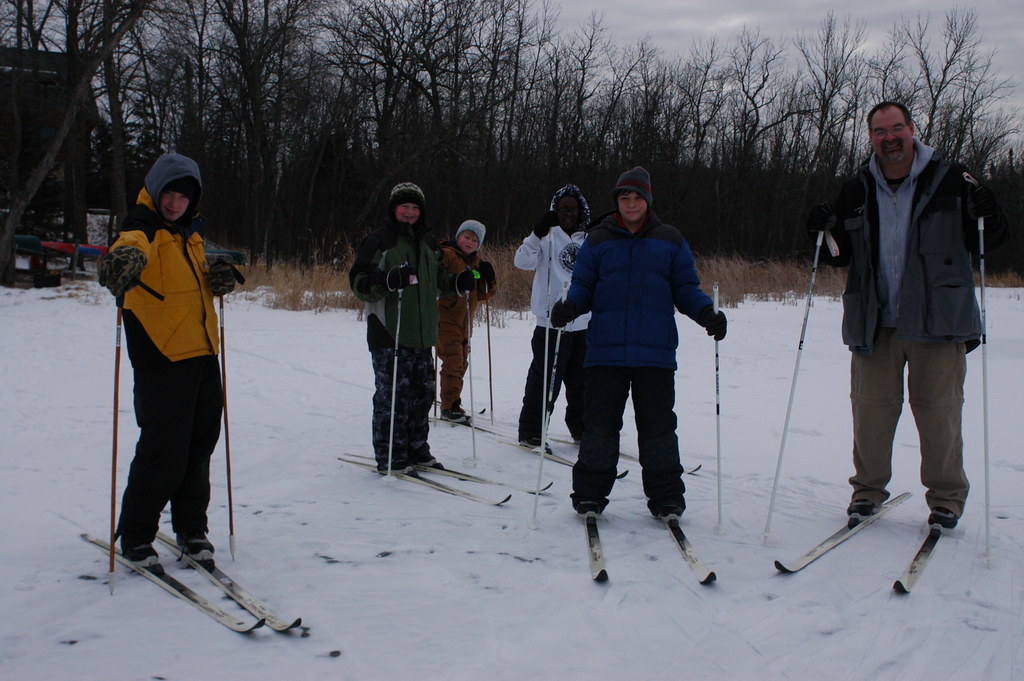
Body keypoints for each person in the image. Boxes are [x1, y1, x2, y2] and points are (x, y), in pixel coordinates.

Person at [806, 101, 1009, 530]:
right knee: (871, 413)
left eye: (897, 128)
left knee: (939, 413)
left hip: (939, 320)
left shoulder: (952, 179)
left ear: (913, 129)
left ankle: (947, 498)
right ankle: (867, 493)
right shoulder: (857, 188)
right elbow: (838, 257)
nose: (890, 138)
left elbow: (989, 241)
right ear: (871, 138)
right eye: (880, 132)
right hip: (874, 321)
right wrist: (820, 229)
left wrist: (991, 212)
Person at [550, 167, 727, 518]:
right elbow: (583, 287)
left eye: (637, 197)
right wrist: (569, 307)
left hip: (655, 354)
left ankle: (666, 497)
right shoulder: (598, 240)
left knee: (658, 429)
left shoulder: (670, 240)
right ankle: (590, 494)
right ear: (616, 201)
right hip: (605, 353)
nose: (631, 204)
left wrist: (706, 313)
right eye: (624, 197)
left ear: (648, 200)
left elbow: (686, 289)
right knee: (599, 428)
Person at [96, 153, 238, 574]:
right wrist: (117, 267)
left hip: (202, 354)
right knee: (164, 451)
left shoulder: (187, 235)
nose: (176, 202)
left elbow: (183, 289)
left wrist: (215, 278)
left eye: (184, 196)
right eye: (170, 194)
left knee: (199, 448)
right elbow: (124, 253)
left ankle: (192, 528)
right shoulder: (142, 227)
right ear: (156, 191)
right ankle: (137, 534)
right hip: (162, 357)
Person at [349, 183, 475, 473]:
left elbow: (439, 280)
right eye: (405, 207)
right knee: (393, 398)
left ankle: (417, 448)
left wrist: (458, 282)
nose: (410, 213)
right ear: (394, 208)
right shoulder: (379, 240)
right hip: (389, 333)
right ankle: (391, 454)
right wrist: (387, 281)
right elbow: (359, 282)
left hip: (422, 335)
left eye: (415, 208)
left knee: (421, 397)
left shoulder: (429, 242)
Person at [514, 184, 592, 448]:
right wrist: (536, 234)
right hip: (550, 323)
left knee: (582, 383)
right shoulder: (546, 237)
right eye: (562, 209)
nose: (567, 214)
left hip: (582, 324)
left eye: (572, 209)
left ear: (580, 211)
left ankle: (582, 429)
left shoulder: (589, 239)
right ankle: (532, 431)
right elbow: (522, 261)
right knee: (545, 380)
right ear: (554, 211)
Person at [436, 220, 497, 425]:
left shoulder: (475, 264)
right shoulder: (447, 255)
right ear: (458, 236)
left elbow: (482, 294)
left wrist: (488, 278)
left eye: (475, 240)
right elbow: (437, 279)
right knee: (453, 360)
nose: (470, 242)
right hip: (446, 319)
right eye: (467, 237)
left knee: (461, 362)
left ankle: (453, 401)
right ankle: (448, 405)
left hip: (464, 323)